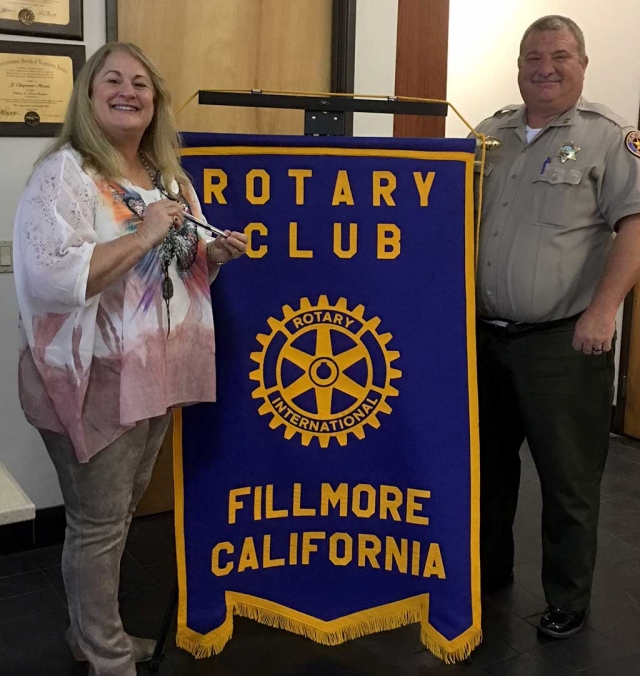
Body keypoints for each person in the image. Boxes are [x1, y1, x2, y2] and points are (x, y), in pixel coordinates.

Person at [13, 42, 247, 675]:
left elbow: (176, 269)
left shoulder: (165, 174)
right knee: (98, 523)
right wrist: (143, 233)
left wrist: (215, 255)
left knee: (116, 516)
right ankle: (102, 651)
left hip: (156, 374)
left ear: (156, 101)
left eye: (141, 83)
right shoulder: (66, 173)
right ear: (88, 97)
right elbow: (50, 279)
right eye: (112, 80)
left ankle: (96, 636)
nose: (128, 91)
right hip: (92, 378)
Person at [474, 16, 640, 639]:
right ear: (519, 65)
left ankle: (566, 598)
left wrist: (605, 312)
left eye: (560, 55)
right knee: (487, 470)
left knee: (568, 481)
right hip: (483, 339)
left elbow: (635, 225)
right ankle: (488, 575)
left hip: (564, 343)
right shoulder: (488, 134)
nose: (545, 66)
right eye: (533, 56)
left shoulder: (611, 138)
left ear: (583, 63)